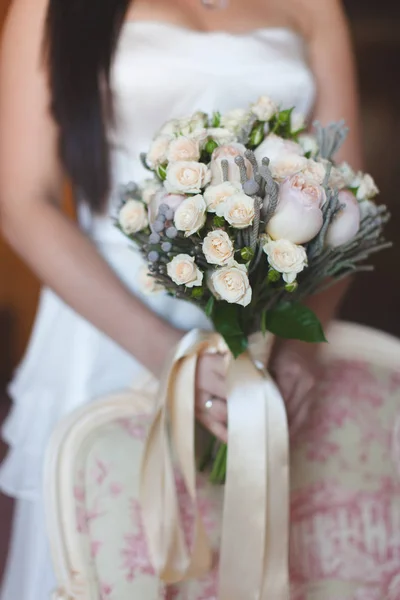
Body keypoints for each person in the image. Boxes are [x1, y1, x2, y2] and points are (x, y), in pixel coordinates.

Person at [0, 0, 362, 597]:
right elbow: (23, 202)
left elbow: (346, 198)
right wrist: (171, 353)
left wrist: (300, 342)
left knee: (248, 556)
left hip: (266, 325)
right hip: (108, 325)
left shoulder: (317, 7)